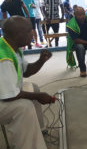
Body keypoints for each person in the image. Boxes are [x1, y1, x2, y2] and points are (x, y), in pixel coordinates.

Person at [0, 16, 55, 149]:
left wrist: (41, 60)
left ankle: (38, 132)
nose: (33, 33)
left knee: (33, 88)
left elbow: (26, 71)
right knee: (24, 107)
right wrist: (39, 97)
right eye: (30, 30)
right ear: (18, 34)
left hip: (5, 91)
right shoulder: (4, 57)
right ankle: (28, 144)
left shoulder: (12, 46)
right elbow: (9, 96)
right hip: (4, 96)